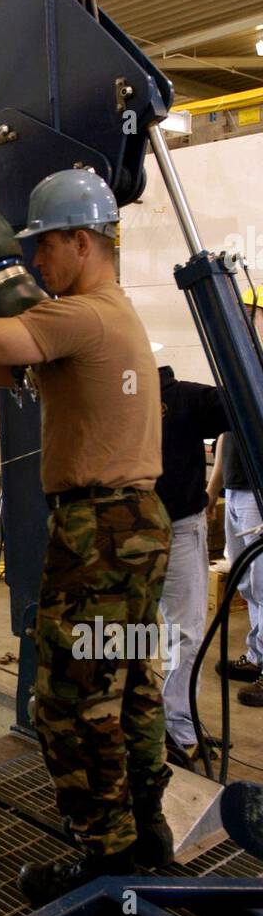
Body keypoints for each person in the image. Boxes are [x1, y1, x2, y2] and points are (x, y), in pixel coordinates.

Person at [0, 169, 173, 905]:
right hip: (136, 530)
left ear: (83, 241)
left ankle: (102, 857)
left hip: (99, 534)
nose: (36, 265)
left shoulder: (79, 315)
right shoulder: (108, 317)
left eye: (45, 247)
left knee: (71, 700)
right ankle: (147, 836)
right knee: (132, 686)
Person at [154, 365, 229, 761]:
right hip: (129, 532)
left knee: (184, 634)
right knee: (117, 631)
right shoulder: (112, 395)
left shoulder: (185, 397)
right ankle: (144, 723)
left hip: (180, 528)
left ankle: (179, 727)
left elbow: (237, 404)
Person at [206, 288, 263, 708]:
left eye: (250, 313)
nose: (242, 321)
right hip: (239, 490)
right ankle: (258, 656)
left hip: (260, 497)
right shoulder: (240, 372)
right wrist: (213, 488)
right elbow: (226, 434)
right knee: (248, 584)